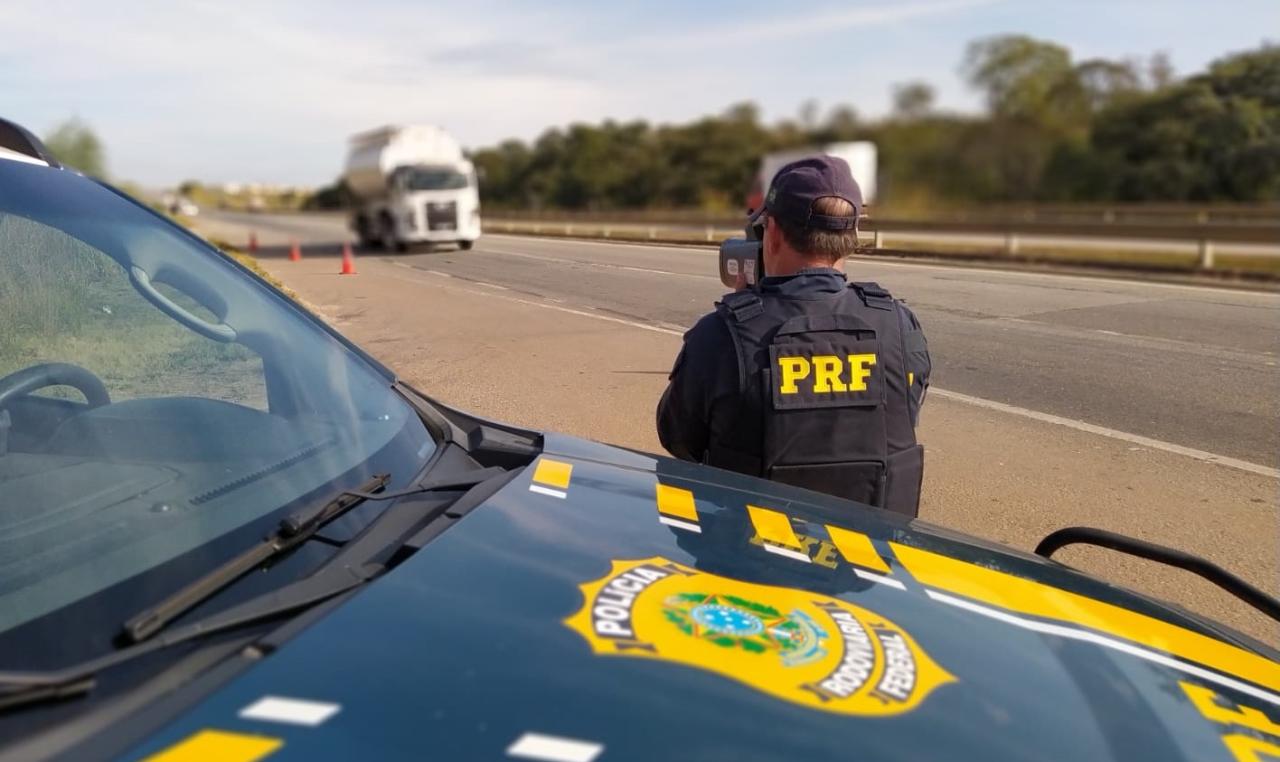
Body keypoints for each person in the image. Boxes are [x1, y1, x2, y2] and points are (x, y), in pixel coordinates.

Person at [656, 156, 931, 517]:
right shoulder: (899, 324)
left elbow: (678, 437)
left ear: (772, 233)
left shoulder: (722, 334)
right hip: (871, 561)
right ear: (850, 239)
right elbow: (901, 413)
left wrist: (740, 321)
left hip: (749, 561)